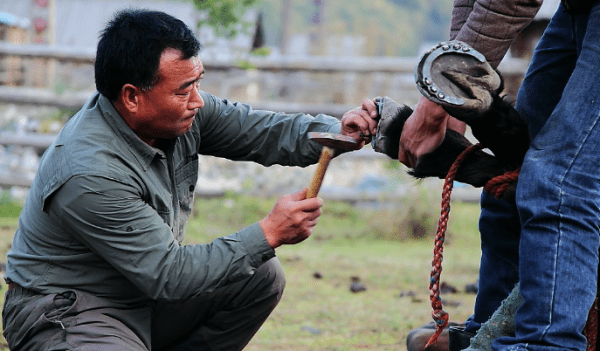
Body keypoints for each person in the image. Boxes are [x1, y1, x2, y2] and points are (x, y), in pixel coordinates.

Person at [1, 9, 378, 351]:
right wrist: (268, 232)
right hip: (70, 308)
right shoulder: (88, 172)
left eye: (197, 83)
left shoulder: (182, 112)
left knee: (258, 276)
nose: (198, 100)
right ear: (132, 97)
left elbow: (262, 131)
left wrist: (336, 131)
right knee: (254, 252)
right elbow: (170, 274)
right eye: (184, 90)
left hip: (141, 296)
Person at [398, 0, 600, 350]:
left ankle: (545, 343)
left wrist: (441, 98)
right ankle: (494, 330)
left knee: (559, 181)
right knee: (514, 172)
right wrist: (448, 90)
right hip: (578, 9)